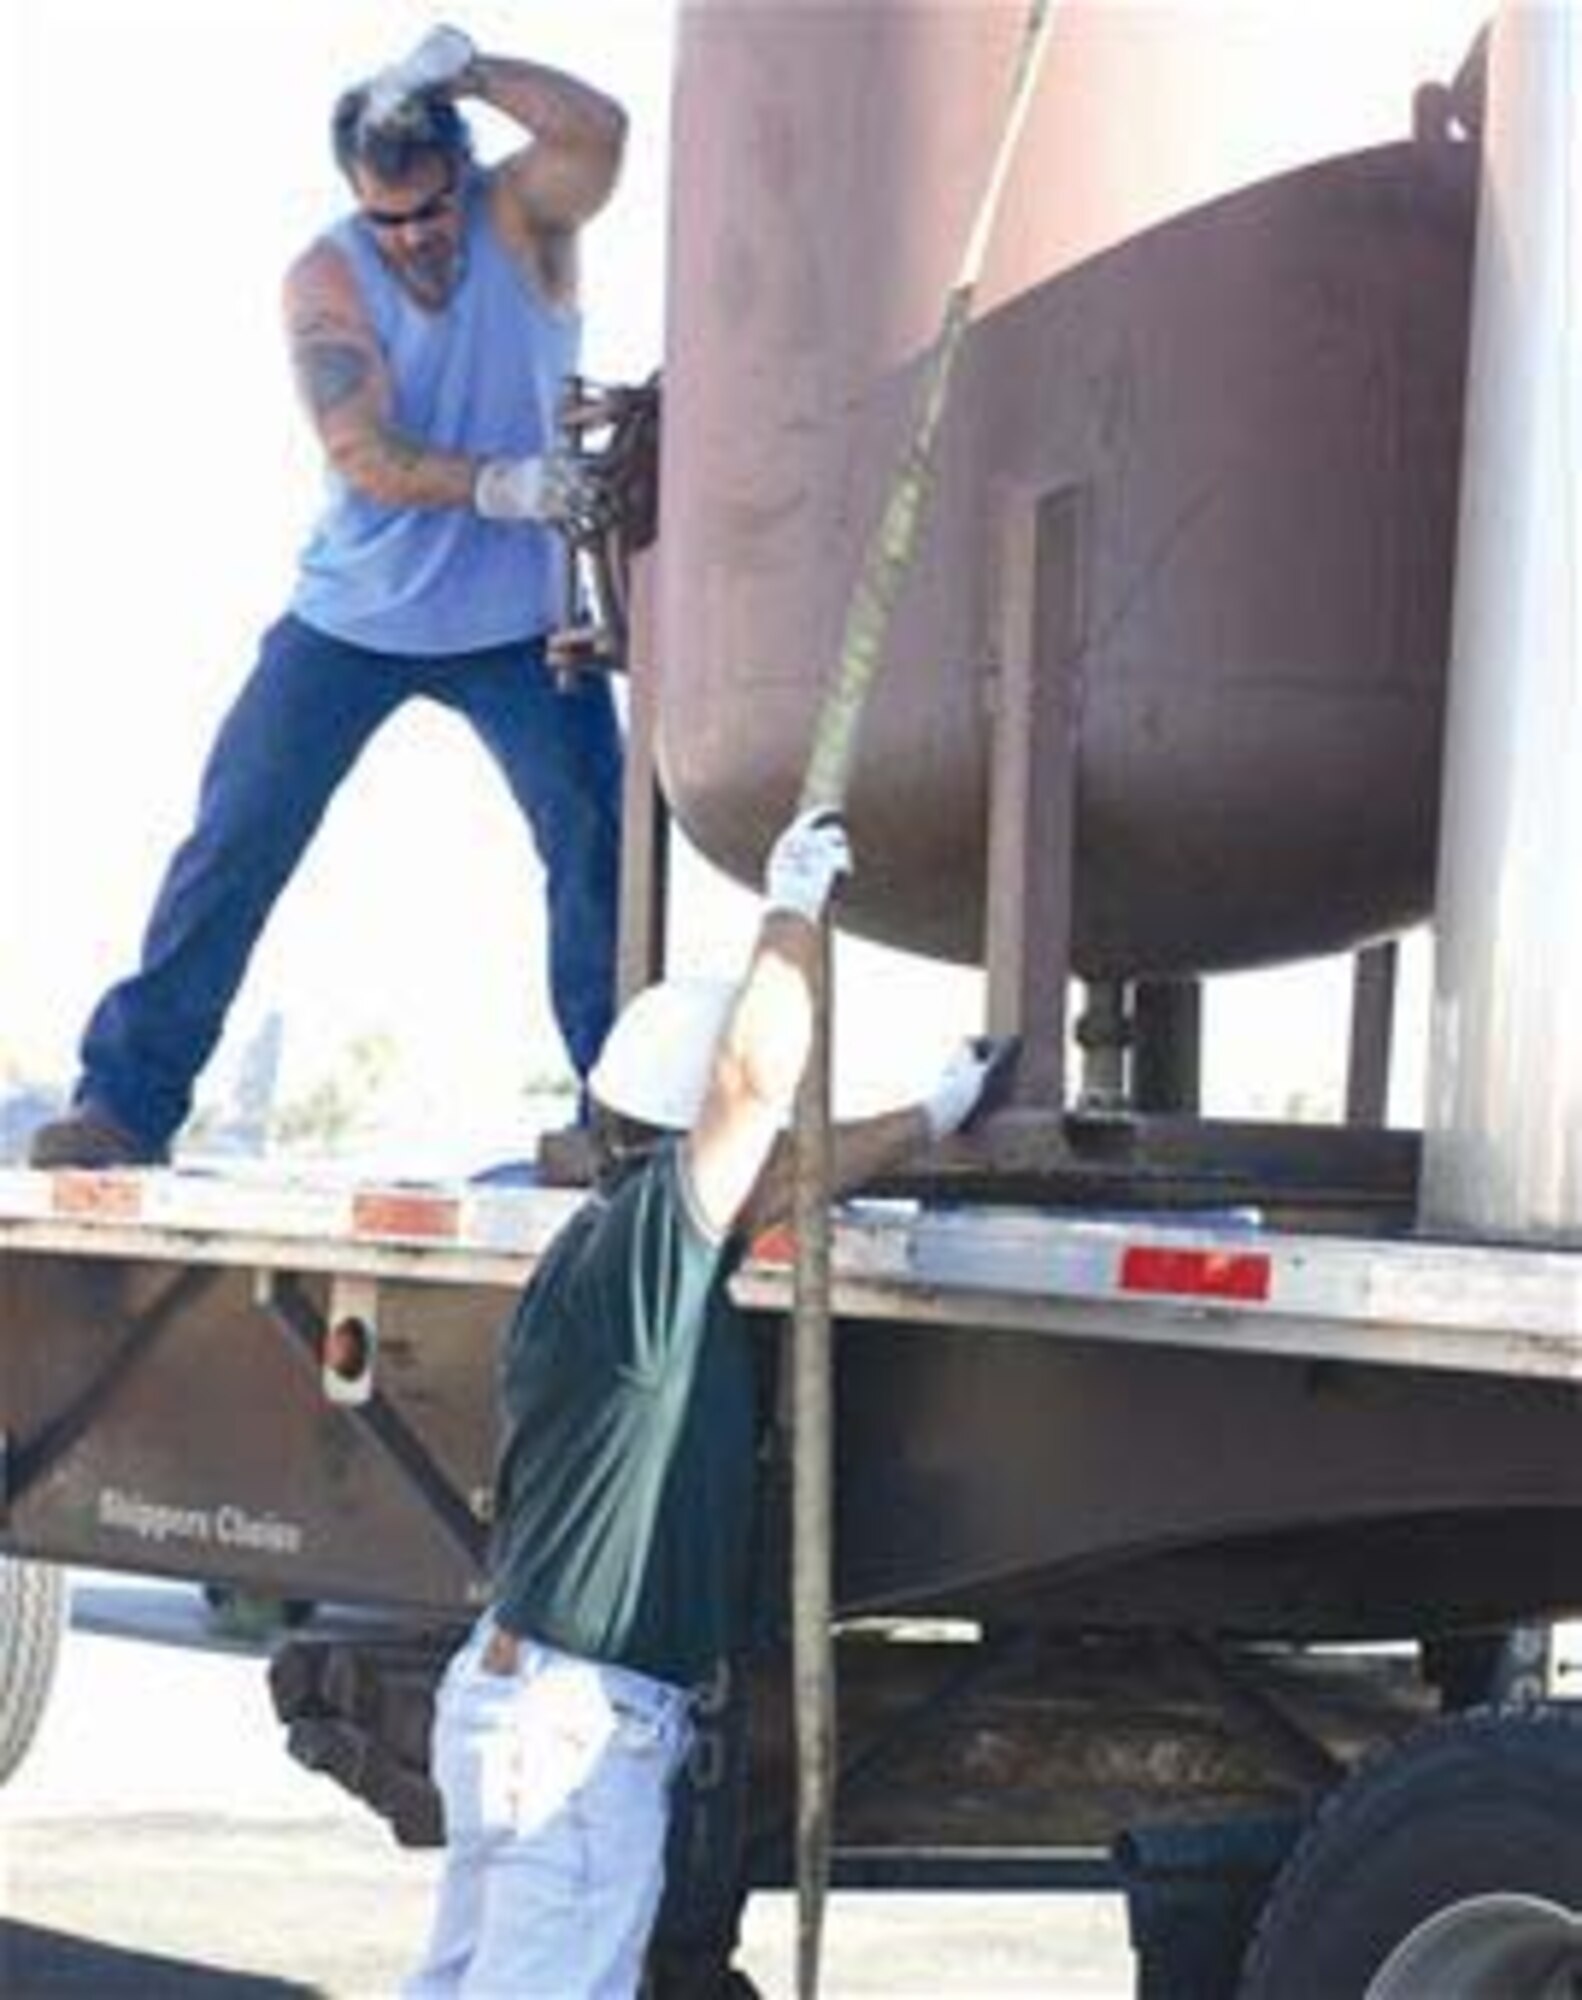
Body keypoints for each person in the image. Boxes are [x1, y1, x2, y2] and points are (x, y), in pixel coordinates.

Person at [403, 808, 999, 2000]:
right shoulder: (645, 1261)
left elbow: (776, 1167)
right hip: (575, 1723)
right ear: (686, 1134)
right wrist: (795, 913)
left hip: (525, 1700)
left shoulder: (624, 1250)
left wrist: (930, 1116)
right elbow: (751, 1079)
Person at [31, 25, 627, 1170]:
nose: (413, 238)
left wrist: (477, 69)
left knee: (593, 842)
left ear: (465, 172)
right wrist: (501, 481)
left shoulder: (524, 219)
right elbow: (363, 449)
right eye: (387, 217)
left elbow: (599, 133)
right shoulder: (326, 275)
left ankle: (620, 1115)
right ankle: (125, 1101)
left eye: (430, 209)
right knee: (237, 834)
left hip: (518, 625)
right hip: (352, 619)